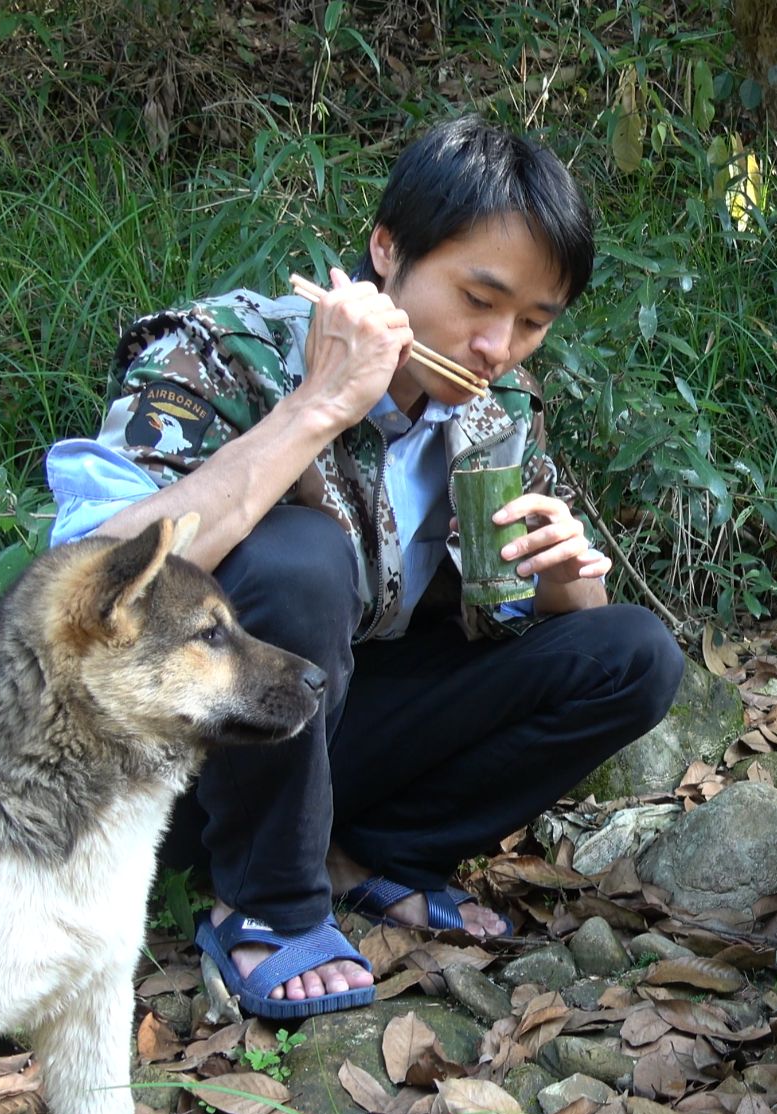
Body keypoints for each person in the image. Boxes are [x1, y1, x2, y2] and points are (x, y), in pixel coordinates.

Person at [45, 115, 683, 1020]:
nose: (496, 346)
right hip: (174, 765)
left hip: (329, 738)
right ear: (387, 251)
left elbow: (527, 621)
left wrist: (566, 581)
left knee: (632, 653)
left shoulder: (494, 409)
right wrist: (318, 406)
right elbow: (91, 578)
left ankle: (370, 856)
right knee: (303, 558)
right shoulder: (222, 347)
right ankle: (265, 901)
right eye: (477, 299)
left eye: (532, 322)